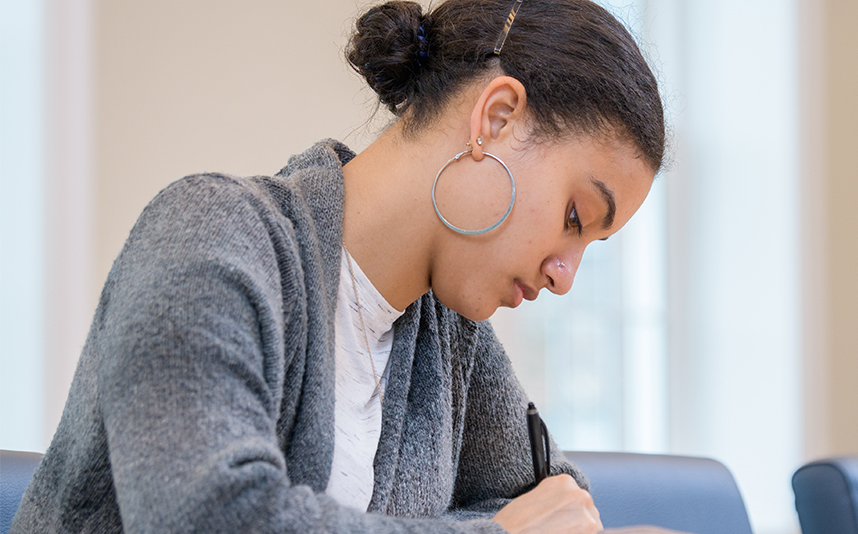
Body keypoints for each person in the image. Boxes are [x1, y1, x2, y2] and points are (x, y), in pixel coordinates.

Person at [10, 0, 667, 532]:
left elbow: (558, 505)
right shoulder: (209, 237)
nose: (565, 275)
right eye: (575, 218)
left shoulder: (448, 336)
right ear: (495, 119)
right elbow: (211, 517)